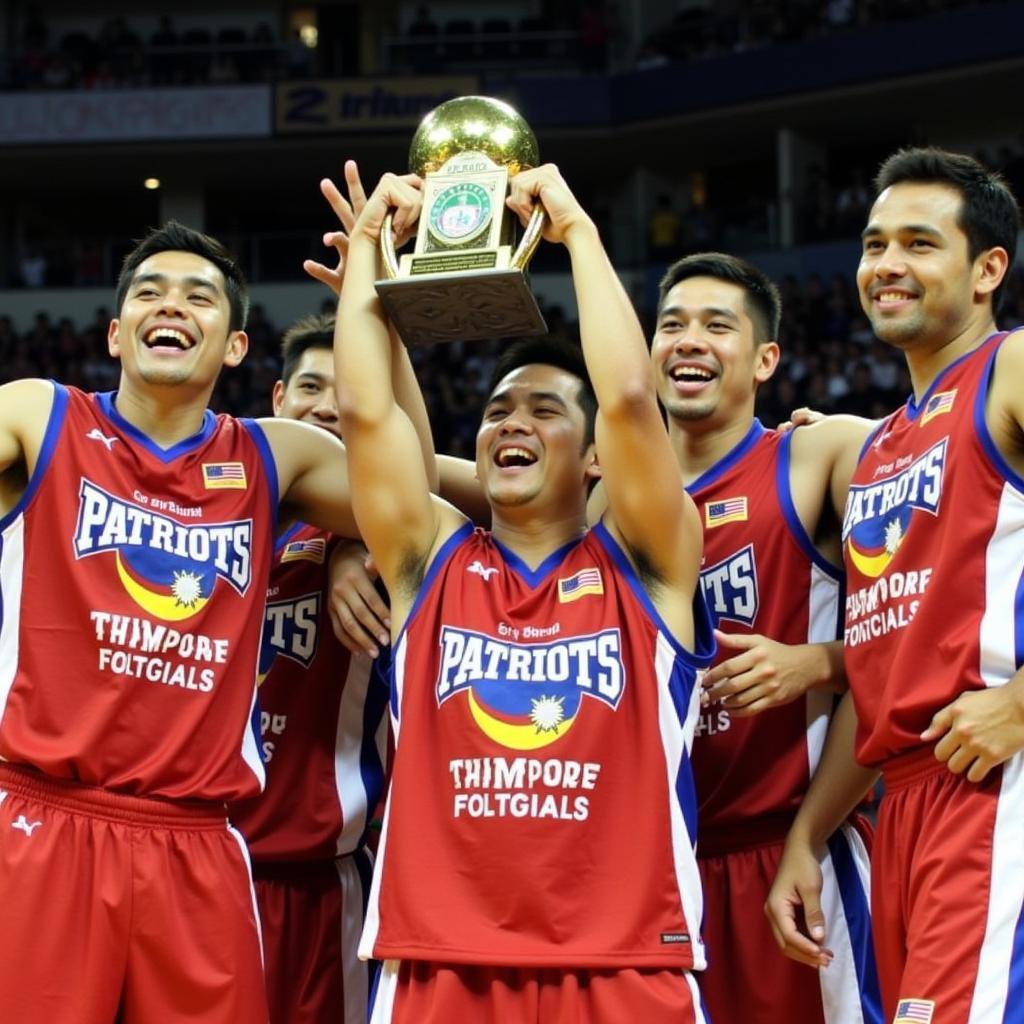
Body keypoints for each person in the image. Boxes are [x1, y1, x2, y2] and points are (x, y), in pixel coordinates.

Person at [335, 165, 714, 1023]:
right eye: (500, 409)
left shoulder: (651, 563)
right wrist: (368, 252)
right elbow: (366, 413)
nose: (512, 423)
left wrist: (576, 228)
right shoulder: (425, 557)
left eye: (545, 411)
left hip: (627, 959)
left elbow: (624, 396)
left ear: (593, 459)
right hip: (442, 957)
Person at [0, 216, 379, 1022]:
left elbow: (424, 507)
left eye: (200, 297)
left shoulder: (276, 456)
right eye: (149, 292)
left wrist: (350, 543)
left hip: (199, 841)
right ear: (115, 331)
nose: (171, 305)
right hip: (41, 821)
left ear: (235, 346)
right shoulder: (39, 415)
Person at [766, 147, 1024, 1024]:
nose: (887, 265)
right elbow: (888, 657)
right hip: (903, 797)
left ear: (989, 268)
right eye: (875, 244)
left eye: (920, 243)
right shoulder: (873, 444)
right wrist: (805, 835)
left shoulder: (1013, 367)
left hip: (994, 771)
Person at [644, 251, 881, 1023]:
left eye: (718, 325)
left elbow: (935, 608)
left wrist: (822, 660)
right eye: (671, 324)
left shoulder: (818, 455)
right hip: (660, 868)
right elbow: (434, 490)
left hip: (795, 846)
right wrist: (343, 545)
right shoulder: (608, 497)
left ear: (766, 358)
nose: (689, 340)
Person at [228, 314, 391, 1024]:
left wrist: (353, 542)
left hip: (323, 881)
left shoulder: (400, 539)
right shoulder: (214, 513)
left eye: (347, 388)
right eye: (310, 386)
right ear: (276, 399)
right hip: (204, 864)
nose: (327, 404)